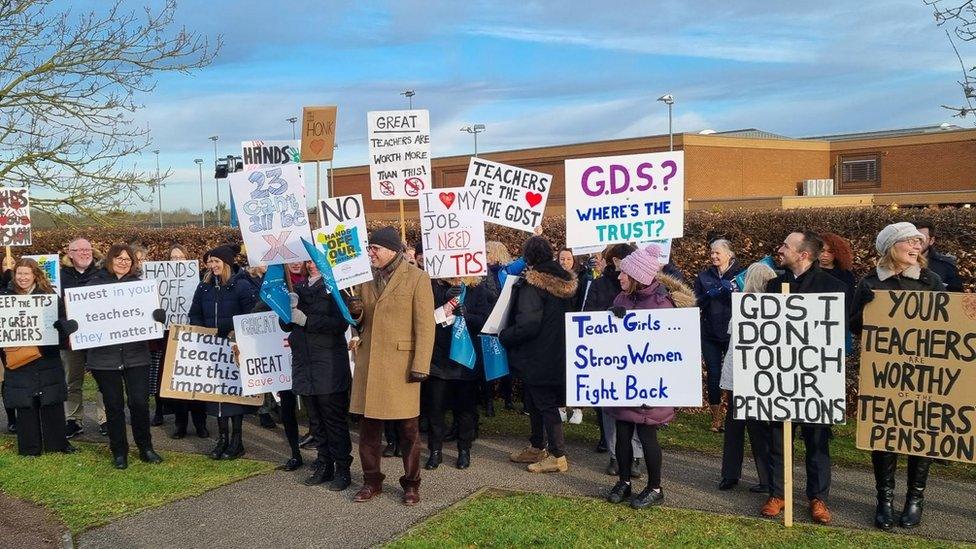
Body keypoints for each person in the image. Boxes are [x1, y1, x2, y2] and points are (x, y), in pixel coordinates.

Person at [849, 222, 943, 531]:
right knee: (885, 435)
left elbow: (947, 324)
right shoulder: (869, 284)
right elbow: (854, 325)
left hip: (922, 371)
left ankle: (915, 499)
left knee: (920, 433)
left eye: (919, 242)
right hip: (886, 373)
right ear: (892, 248)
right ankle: (884, 500)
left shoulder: (932, 281)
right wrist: (872, 314)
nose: (917, 247)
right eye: (909, 242)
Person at [760, 230, 847, 525]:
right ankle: (778, 492)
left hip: (816, 380)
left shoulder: (833, 288)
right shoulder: (774, 286)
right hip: (781, 378)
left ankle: (817, 498)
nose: (780, 249)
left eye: (786, 245)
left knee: (817, 440)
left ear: (804, 254)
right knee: (778, 439)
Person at [348, 226, 435, 506]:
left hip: (402, 366)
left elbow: (425, 325)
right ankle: (371, 481)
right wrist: (356, 313)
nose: (370, 253)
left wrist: (421, 364)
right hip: (370, 364)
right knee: (369, 431)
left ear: (392, 250)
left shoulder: (418, 278)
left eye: (375, 248)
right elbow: (361, 324)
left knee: (409, 431)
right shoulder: (363, 279)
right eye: (369, 248)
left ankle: (411, 484)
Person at [605, 245, 694, 508]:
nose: (619, 277)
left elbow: (669, 346)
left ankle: (655, 488)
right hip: (625, 381)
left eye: (624, 274)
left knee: (647, 437)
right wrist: (612, 317)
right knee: (622, 434)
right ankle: (624, 481)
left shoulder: (662, 304)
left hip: (650, 386)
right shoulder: (622, 298)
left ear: (637, 277)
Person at [81, 244, 165, 469]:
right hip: (104, 358)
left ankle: (146, 447)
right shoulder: (93, 286)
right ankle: (119, 451)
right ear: (110, 260)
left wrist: (157, 316)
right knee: (114, 405)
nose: (123, 262)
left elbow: (151, 318)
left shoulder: (141, 288)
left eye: (127, 259)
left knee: (139, 403)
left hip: (136, 355)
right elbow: (81, 317)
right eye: (119, 258)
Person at [500, 236, 577, 474]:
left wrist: (506, 335)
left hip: (538, 353)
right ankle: (536, 445)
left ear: (529, 259)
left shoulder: (533, 284)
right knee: (534, 399)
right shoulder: (567, 282)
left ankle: (557, 454)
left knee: (544, 403)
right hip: (561, 351)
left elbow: (528, 324)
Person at [282, 259, 354, 491]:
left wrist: (308, 319)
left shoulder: (335, 288)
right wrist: (286, 310)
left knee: (333, 420)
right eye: (307, 261)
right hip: (304, 364)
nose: (311, 265)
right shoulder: (298, 288)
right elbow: (286, 326)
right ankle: (325, 464)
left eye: (315, 260)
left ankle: (343, 468)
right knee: (316, 421)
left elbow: (341, 323)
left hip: (329, 364)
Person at [188, 244, 257, 460]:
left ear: (226, 263)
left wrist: (234, 334)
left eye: (216, 261)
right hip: (212, 348)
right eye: (210, 262)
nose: (212, 265)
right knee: (216, 395)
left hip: (235, 346)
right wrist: (204, 332)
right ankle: (223, 439)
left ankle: (237, 441)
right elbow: (195, 313)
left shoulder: (242, 286)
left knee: (234, 397)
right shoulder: (204, 287)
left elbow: (251, 316)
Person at [2, 259, 75, 456]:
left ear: (35, 275)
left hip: (47, 355)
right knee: (24, 400)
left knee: (52, 397)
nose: (22, 278)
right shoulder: (5, 297)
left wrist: (63, 328)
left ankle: (58, 443)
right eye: (19, 273)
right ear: (14, 275)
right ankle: (29, 447)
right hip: (18, 355)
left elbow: (61, 322)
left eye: (26, 274)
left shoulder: (49, 296)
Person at [717, 261, 776, 493]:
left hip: (740, 374)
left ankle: (730, 475)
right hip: (756, 376)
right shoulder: (771, 307)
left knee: (736, 427)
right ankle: (766, 477)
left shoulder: (743, 306)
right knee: (758, 429)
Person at [423, 277, 491, 470]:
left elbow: (485, 320)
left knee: (465, 410)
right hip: (438, 358)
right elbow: (424, 318)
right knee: (435, 409)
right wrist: (444, 302)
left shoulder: (476, 289)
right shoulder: (432, 287)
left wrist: (468, 316)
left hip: (464, 360)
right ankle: (435, 450)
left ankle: (464, 449)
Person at [585, 243, 640, 471]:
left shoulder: (640, 285)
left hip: (637, 354)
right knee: (610, 408)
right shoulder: (599, 284)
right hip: (606, 355)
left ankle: (636, 456)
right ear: (614, 261)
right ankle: (616, 455)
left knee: (637, 405)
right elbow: (587, 315)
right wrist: (608, 314)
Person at [693, 238, 745, 433]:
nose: (714, 256)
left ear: (729, 254)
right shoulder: (704, 276)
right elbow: (695, 301)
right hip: (710, 332)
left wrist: (732, 291)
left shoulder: (741, 274)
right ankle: (716, 418)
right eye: (712, 252)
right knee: (713, 374)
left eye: (718, 252)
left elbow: (751, 297)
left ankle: (737, 414)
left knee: (737, 374)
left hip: (734, 332)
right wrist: (709, 295)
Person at [60, 237, 106, 438]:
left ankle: (105, 418)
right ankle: (73, 419)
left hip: (98, 337)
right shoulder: (59, 277)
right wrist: (63, 323)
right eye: (79, 250)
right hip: (69, 339)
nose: (85, 253)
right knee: (72, 381)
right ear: (70, 253)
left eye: (87, 249)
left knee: (104, 379)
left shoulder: (103, 274)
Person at [161, 244, 209, 440]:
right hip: (171, 335)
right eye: (173, 257)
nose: (177, 260)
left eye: (181, 257)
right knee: (177, 384)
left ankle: (200, 424)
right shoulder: (161, 281)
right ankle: (180, 424)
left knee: (196, 382)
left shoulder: (198, 281)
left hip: (193, 335)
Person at [480, 241, 526, 415]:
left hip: (504, 322)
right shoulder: (479, 272)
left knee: (506, 361)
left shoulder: (506, 270)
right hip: (487, 322)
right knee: (488, 362)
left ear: (497, 253)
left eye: (487, 252)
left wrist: (532, 236)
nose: (484, 255)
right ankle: (489, 401)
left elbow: (524, 260)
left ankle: (508, 399)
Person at [556, 248, 584, 425]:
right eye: (561, 259)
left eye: (568, 259)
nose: (564, 262)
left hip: (577, 329)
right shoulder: (553, 280)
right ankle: (561, 406)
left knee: (577, 370)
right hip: (558, 330)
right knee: (560, 369)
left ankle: (578, 408)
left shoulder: (582, 280)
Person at [914, 220, 963, 292]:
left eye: (922, 238)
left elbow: (955, 296)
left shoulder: (946, 265)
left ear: (931, 240)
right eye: (912, 238)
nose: (917, 243)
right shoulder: (895, 262)